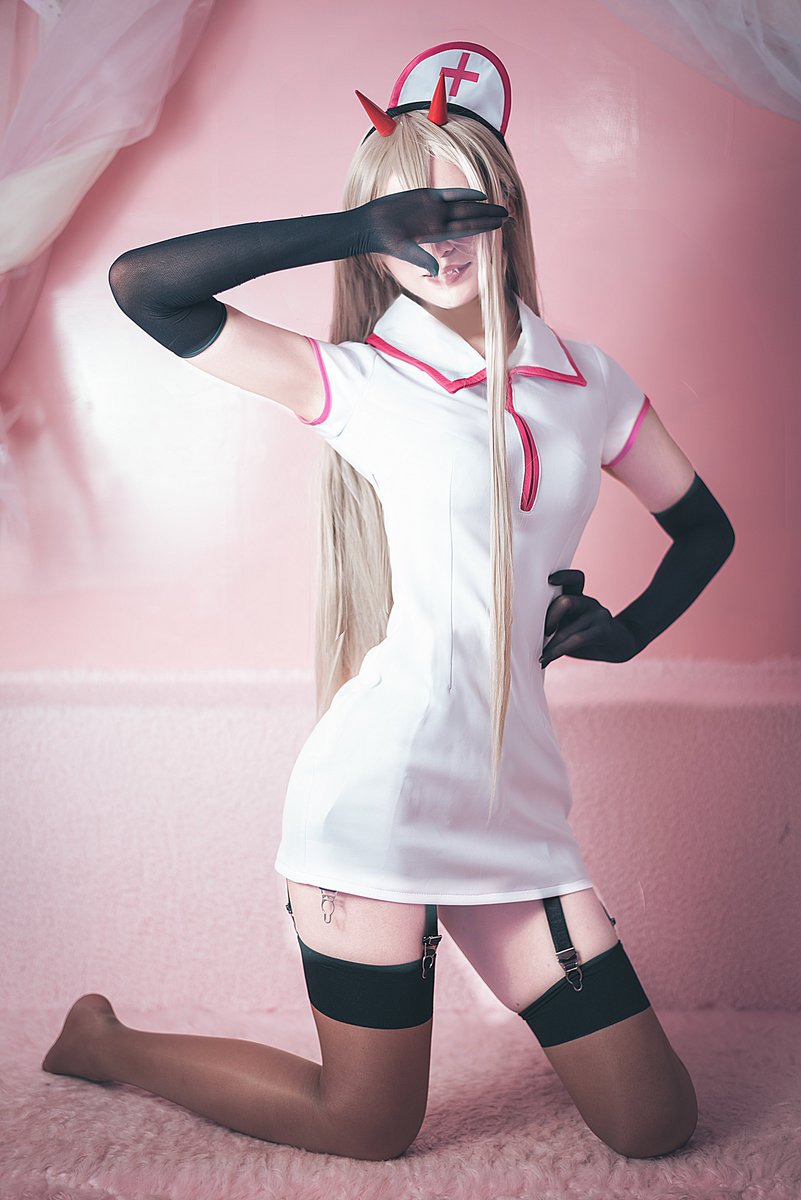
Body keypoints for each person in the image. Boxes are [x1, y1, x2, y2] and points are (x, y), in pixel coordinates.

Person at [42, 42, 734, 1161]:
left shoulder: (589, 382)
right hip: (380, 799)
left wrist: (628, 632)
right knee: (367, 1122)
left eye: (457, 211)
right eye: (408, 222)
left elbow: (706, 529)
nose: (436, 243)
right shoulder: (362, 382)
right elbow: (143, 285)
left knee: (659, 1123)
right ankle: (106, 1040)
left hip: (517, 805)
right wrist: (355, 227)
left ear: (505, 208)